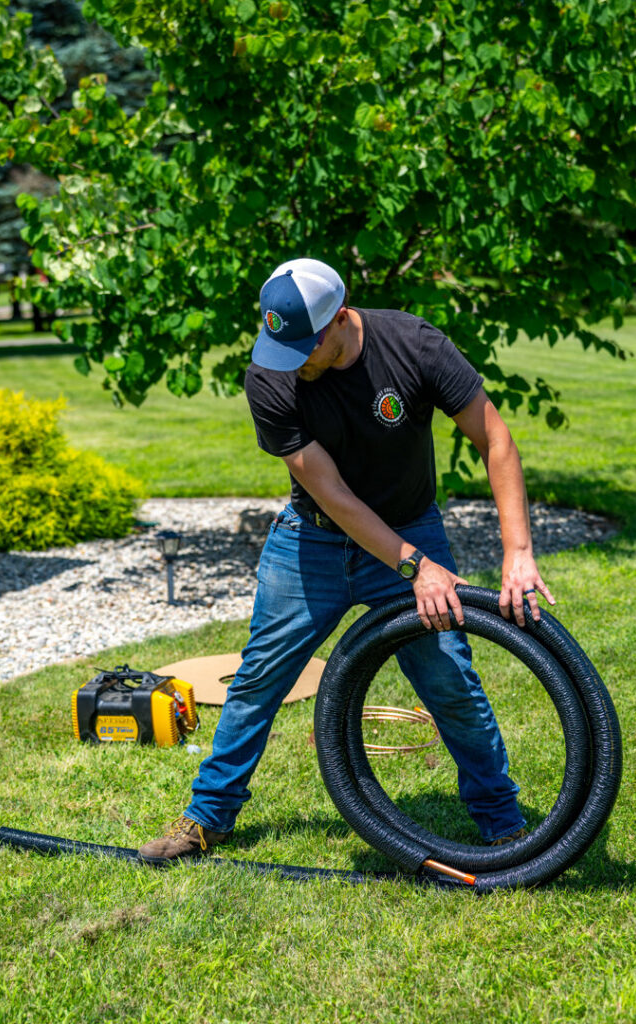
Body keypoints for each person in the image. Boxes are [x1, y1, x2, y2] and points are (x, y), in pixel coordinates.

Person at [139, 257, 555, 861]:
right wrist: (416, 566)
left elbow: (496, 440)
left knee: (450, 683)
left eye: (305, 347)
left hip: (410, 525)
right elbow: (331, 494)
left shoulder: (414, 346)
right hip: (311, 538)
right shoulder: (270, 375)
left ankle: (502, 825)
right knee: (259, 679)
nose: (292, 362)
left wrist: (518, 551)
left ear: (339, 320)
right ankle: (207, 817)